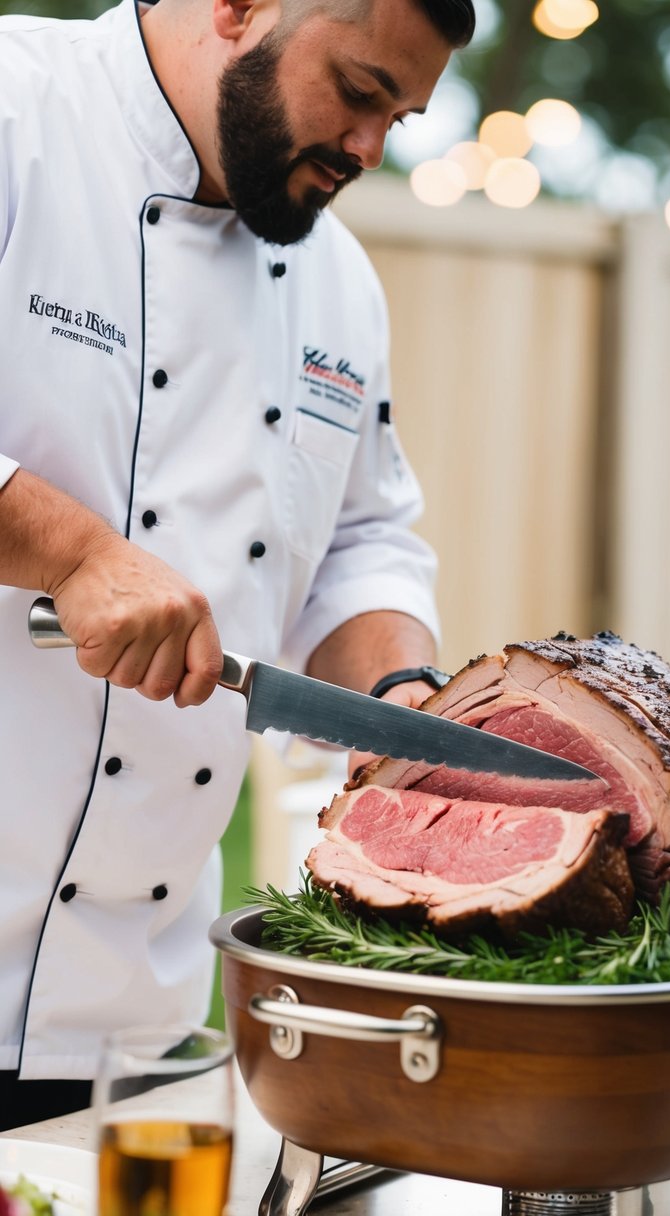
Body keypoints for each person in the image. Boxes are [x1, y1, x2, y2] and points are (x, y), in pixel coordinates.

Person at [0, 0, 475, 1128]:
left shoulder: (338, 286)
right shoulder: (17, 106)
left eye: (398, 118)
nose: (368, 148)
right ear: (240, 6)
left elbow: (363, 542)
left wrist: (400, 700)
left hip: (135, 1029)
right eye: (359, 91)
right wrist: (70, 549)